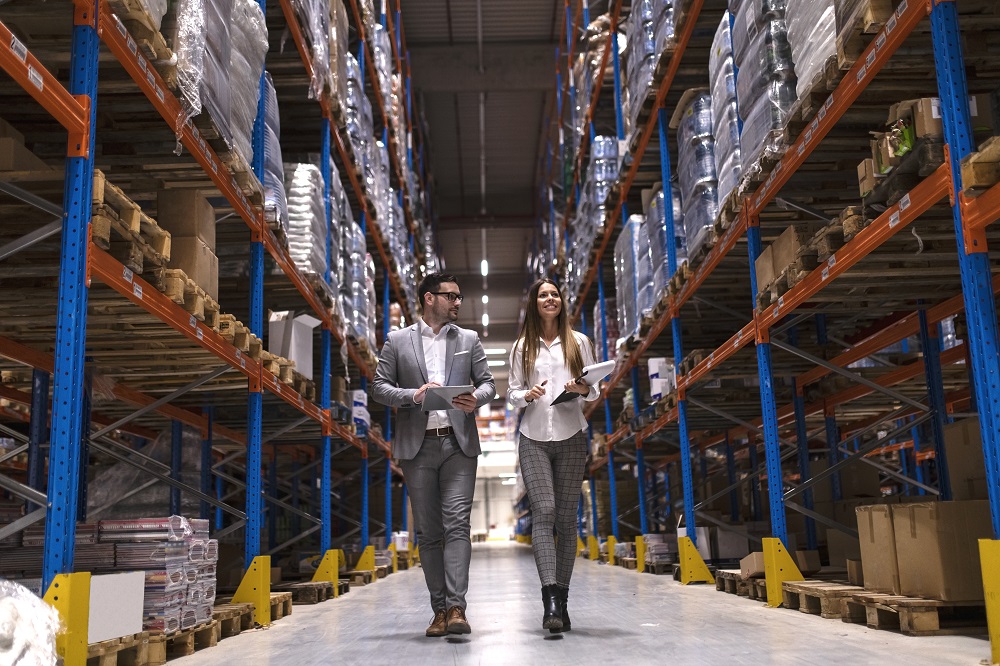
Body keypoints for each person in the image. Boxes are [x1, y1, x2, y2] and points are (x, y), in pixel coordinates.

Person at [371, 272, 495, 637]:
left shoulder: (468, 339)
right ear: (429, 298)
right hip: (417, 445)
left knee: (457, 524)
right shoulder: (397, 341)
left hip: (458, 444)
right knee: (428, 532)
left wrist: (477, 399)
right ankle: (438, 610)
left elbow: (488, 383)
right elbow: (379, 388)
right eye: (451, 296)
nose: (458, 302)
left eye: (459, 297)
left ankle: (457, 607)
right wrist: (413, 395)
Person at [507, 278, 600, 632]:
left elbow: (594, 392)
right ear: (534, 303)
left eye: (555, 294)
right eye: (543, 295)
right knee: (543, 511)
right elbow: (512, 392)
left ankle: (562, 598)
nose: (550, 299)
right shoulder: (521, 347)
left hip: (572, 434)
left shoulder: (579, 343)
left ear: (562, 302)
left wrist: (583, 388)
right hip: (533, 436)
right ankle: (548, 598)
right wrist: (526, 395)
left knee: (566, 518)